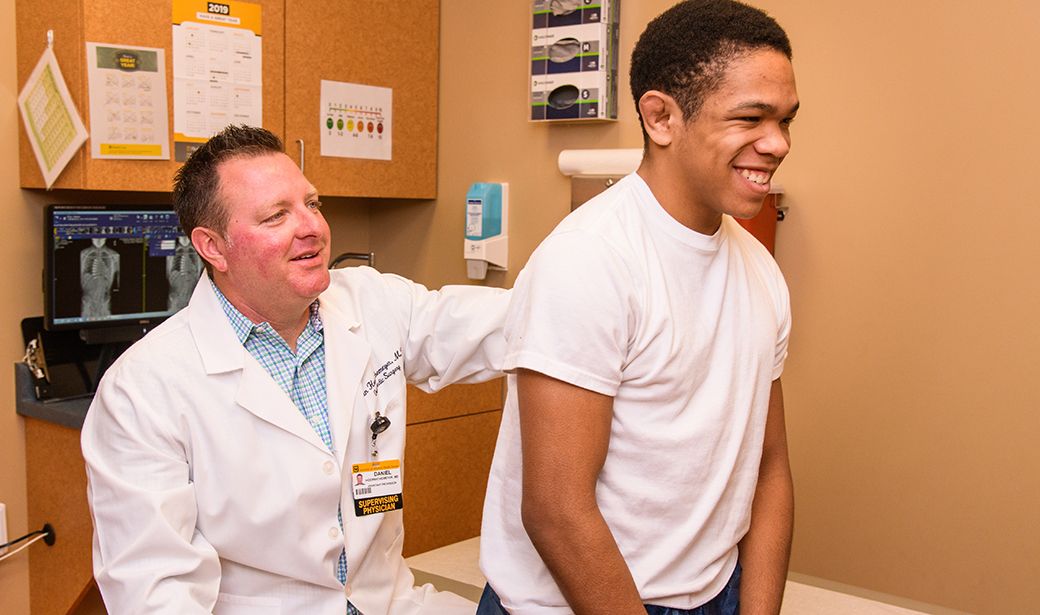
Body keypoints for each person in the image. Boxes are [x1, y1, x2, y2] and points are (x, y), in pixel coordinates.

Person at [81, 125, 509, 614]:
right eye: (276, 216)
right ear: (213, 247)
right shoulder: (143, 389)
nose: (312, 228)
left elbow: (512, 326)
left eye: (312, 203)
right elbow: (156, 596)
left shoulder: (370, 301)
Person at [479, 1, 799, 613]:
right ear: (660, 118)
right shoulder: (590, 261)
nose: (777, 142)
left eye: (786, 119)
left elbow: (770, 469)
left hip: (712, 595)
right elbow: (556, 509)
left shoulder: (759, 273)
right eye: (751, 118)